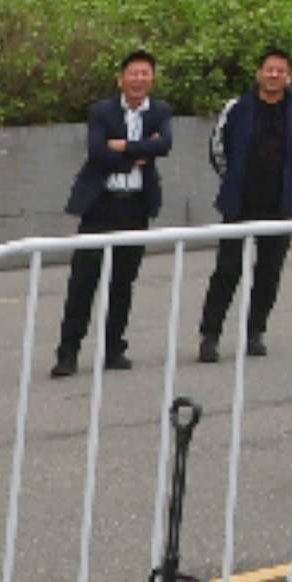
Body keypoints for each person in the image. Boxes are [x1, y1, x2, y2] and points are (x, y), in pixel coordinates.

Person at [53, 49, 178, 376]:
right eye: (133, 73)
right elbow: (96, 152)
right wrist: (137, 153)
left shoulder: (160, 111)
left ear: (152, 78)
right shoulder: (101, 111)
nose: (139, 79)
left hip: (136, 206)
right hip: (100, 205)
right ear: (120, 78)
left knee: (122, 282)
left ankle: (113, 349)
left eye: (145, 73)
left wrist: (122, 146)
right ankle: (67, 353)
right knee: (83, 282)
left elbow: (164, 145)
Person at [198, 44, 292, 361]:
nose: (274, 74)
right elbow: (217, 150)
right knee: (227, 270)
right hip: (240, 203)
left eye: (281, 70)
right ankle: (210, 335)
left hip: (279, 204)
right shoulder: (238, 108)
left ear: (288, 76)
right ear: (258, 73)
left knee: (269, 272)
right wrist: (233, 178)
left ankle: (255, 332)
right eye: (269, 69)